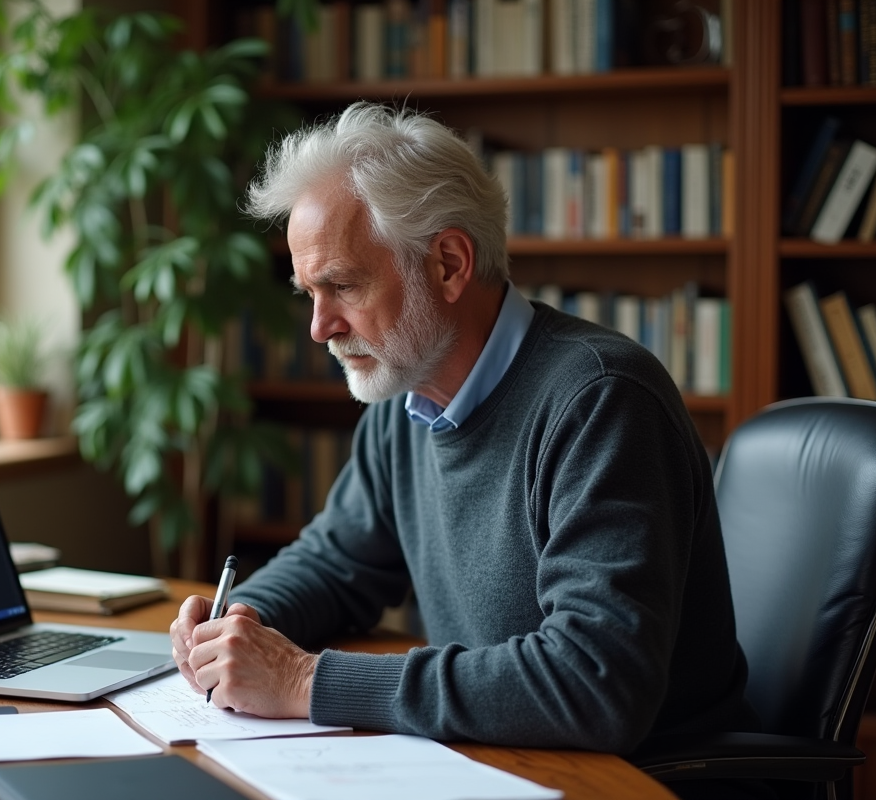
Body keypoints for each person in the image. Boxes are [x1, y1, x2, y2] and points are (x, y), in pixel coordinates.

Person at [171, 102, 756, 756]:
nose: (320, 326)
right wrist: (238, 625)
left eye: (342, 286)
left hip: (642, 778)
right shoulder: (404, 397)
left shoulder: (602, 399)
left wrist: (305, 679)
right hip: (498, 758)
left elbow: (595, 682)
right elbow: (337, 564)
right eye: (309, 293)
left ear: (448, 263)